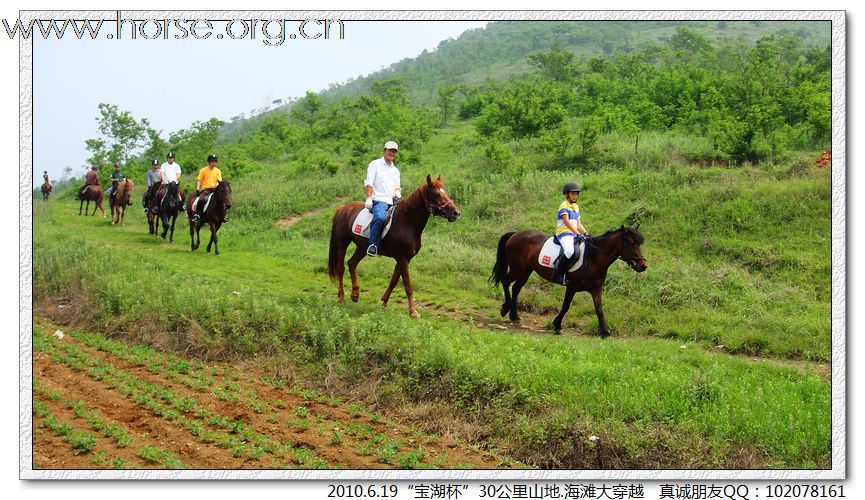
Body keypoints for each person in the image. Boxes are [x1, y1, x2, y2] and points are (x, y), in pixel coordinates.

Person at [364, 140, 402, 257]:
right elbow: (369, 182)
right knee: (380, 218)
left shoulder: (395, 170)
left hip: (393, 201)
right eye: (390, 150)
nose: (392, 153)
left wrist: (397, 191)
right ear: (384, 150)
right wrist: (369, 198)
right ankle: (373, 245)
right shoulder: (375, 164)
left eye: (394, 151)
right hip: (378, 199)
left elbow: (397, 186)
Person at [554, 182, 590, 285]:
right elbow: (567, 222)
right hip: (564, 233)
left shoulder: (576, 206)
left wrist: (586, 233)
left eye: (576, 194)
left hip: (573, 234)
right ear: (566, 194)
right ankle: (559, 275)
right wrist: (578, 233)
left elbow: (578, 224)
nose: (575, 196)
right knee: (569, 251)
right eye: (573, 193)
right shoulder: (563, 205)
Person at [191, 154, 223, 223]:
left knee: (223, 200)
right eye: (212, 162)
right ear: (209, 162)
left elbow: (219, 181)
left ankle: (222, 216)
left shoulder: (218, 171)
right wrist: (197, 189)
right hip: (206, 190)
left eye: (215, 162)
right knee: (201, 199)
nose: (214, 163)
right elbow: (199, 180)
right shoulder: (203, 170)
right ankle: (197, 215)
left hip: (215, 190)